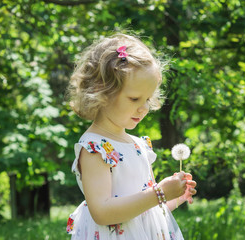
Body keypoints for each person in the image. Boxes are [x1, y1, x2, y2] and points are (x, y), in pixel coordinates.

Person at [66, 33, 197, 240]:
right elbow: (102, 212)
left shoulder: (138, 145)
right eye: (135, 98)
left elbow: (147, 213)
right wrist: (159, 193)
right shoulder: (94, 148)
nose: (144, 108)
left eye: (147, 99)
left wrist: (174, 196)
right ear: (102, 91)